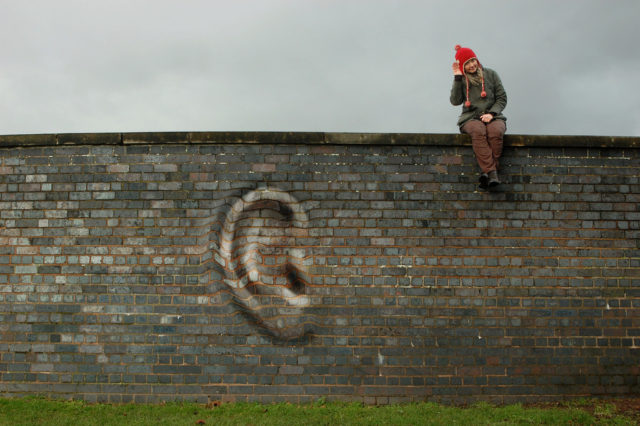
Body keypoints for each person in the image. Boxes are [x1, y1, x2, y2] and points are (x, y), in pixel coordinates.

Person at [450, 44, 507, 189]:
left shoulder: (491, 74)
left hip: (493, 116)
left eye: (473, 60)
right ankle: (493, 173)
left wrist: (492, 114)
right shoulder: (462, 80)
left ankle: (486, 172)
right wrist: (457, 78)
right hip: (471, 118)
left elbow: (502, 98)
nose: (471, 65)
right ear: (463, 66)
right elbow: (455, 101)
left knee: (496, 132)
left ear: (476, 59)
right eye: (467, 63)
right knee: (478, 131)